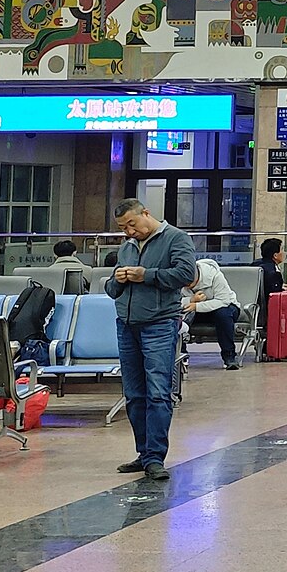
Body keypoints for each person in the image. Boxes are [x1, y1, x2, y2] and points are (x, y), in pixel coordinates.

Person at [108, 198, 196, 482]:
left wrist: (146, 275)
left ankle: (156, 458)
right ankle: (144, 453)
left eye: (132, 224)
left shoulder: (176, 239)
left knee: (158, 391)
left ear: (146, 213)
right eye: (123, 228)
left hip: (159, 324)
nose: (129, 232)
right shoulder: (127, 247)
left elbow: (186, 275)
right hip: (127, 325)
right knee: (134, 395)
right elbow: (112, 290)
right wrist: (118, 280)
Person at [180, 256, 245, 369]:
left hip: (225, 306)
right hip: (195, 310)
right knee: (175, 317)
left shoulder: (214, 275)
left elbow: (223, 301)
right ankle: (181, 356)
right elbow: (172, 302)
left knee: (223, 315)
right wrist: (190, 300)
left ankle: (229, 357)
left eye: (191, 284)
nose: (188, 287)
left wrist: (197, 306)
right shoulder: (177, 280)